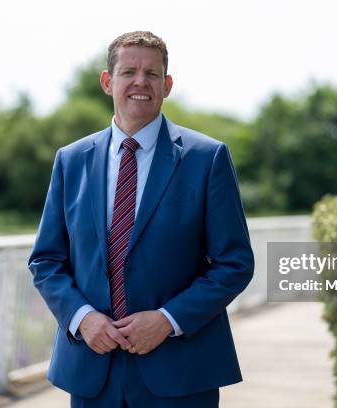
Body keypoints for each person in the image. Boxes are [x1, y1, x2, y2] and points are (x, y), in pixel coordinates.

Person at [28, 31, 254, 407]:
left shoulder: (206, 158)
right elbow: (46, 260)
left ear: (166, 86)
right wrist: (82, 318)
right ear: (107, 82)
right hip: (92, 370)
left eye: (152, 74)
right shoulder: (71, 160)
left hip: (180, 371)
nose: (140, 82)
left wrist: (168, 320)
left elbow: (234, 263)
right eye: (129, 71)